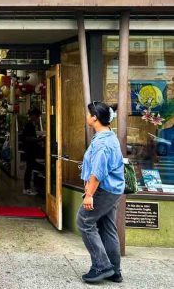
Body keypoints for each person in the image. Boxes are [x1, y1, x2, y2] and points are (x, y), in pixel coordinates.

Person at [77, 101, 126, 283]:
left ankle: (101, 266)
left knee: (84, 221)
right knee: (107, 227)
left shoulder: (102, 143)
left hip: (103, 191)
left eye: (89, 114)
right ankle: (115, 271)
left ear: (95, 118)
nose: (87, 116)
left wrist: (89, 195)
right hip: (113, 190)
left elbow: (97, 173)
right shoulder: (108, 136)